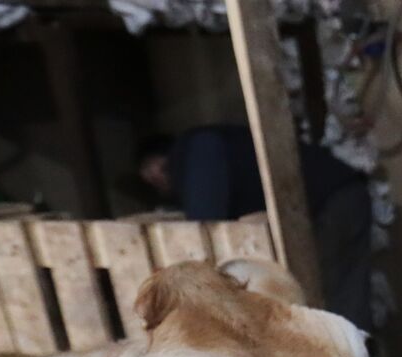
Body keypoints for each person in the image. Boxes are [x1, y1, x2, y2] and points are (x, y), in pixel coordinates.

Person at [136, 125, 380, 336]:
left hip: (331, 201)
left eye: (152, 174)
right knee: (342, 290)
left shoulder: (197, 149)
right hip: (337, 195)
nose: (157, 183)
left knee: (337, 293)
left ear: (158, 159)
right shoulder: (203, 150)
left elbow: (205, 221)